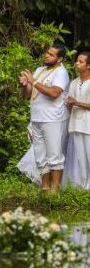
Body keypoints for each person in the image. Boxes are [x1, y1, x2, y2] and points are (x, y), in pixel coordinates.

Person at [19, 43, 70, 193]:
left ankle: (55, 192)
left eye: (52, 54)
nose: (47, 55)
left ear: (59, 59)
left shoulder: (61, 72)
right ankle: (45, 189)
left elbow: (54, 93)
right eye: (47, 52)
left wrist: (33, 81)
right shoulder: (39, 70)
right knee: (40, 156)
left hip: (53, 119)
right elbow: (27, 95)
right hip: (37, 119)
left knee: (54, 156)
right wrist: (24, 84)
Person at [66, 51, 90, 189]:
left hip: (88, 123)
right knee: (80, 157)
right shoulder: (74, 82)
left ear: (88, 65)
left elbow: (76, 102)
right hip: (75, 123)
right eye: (77, 61)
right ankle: (84, 185)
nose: (77, 63)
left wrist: (76, 103)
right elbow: (70, 100)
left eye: (81, 62)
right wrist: (69, 103)